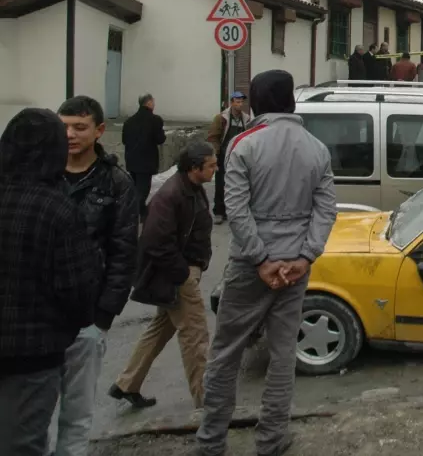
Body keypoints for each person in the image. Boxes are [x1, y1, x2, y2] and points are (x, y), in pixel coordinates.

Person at [196, 70, 337, 456]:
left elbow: (236, 210)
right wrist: (306, 256)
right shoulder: (316, 148)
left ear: (256, 100)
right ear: (290, 100)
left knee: (226, 352)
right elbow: (326, 211)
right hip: (295, 268)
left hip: (249, 266)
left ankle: (210, 442)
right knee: (282, 353)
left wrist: (260, 259)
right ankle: (272, 439)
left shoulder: (243, 144)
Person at [0, 109, 99, 456]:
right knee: (22, 444)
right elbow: (77, 290)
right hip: (34, 354)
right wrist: (66, 329)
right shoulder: (57, 209)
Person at [55, 95, 140, 456]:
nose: (70, 135)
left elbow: (124, 253)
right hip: (39, 314)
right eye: (63, 128)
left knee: (76, 416)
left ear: (99, 131)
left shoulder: (116, 184)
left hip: (88, 316)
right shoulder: (41, 175)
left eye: (79, 127)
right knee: (33, 412)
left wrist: (104, 316)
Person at [109, 142, 217, 411]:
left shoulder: (191, 188)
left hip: (183, 271)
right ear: (195, 168)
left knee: (161, 328)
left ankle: (126, 384)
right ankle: (207, 405)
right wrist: (183, 275)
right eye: (211, 165)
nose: (216, 168)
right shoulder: (171, 195)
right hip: (177, 276)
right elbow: (156, 240)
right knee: (195, 336)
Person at [207, 92, 252, 226]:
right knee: (221, 184)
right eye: (237, 101)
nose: (240, 104)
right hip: (223, 155)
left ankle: (234, 211)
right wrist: (215, 153)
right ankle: (219, 212)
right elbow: (213, 137)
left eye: (241, 102)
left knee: (238, 184)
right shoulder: (221, 118)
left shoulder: (246, 119)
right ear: (231, 102)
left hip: (239, 156)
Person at [121, 93, 166, 224]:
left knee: (135, 187)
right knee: (143, 190)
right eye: (153, 101)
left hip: (131, 159)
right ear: (149, 103)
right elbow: (160, 139)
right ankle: (136, 212)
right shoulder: (155, 120)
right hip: (146, 160)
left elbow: (124, 140)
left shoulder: (129, 121)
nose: (154, 104)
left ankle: (140, 211)